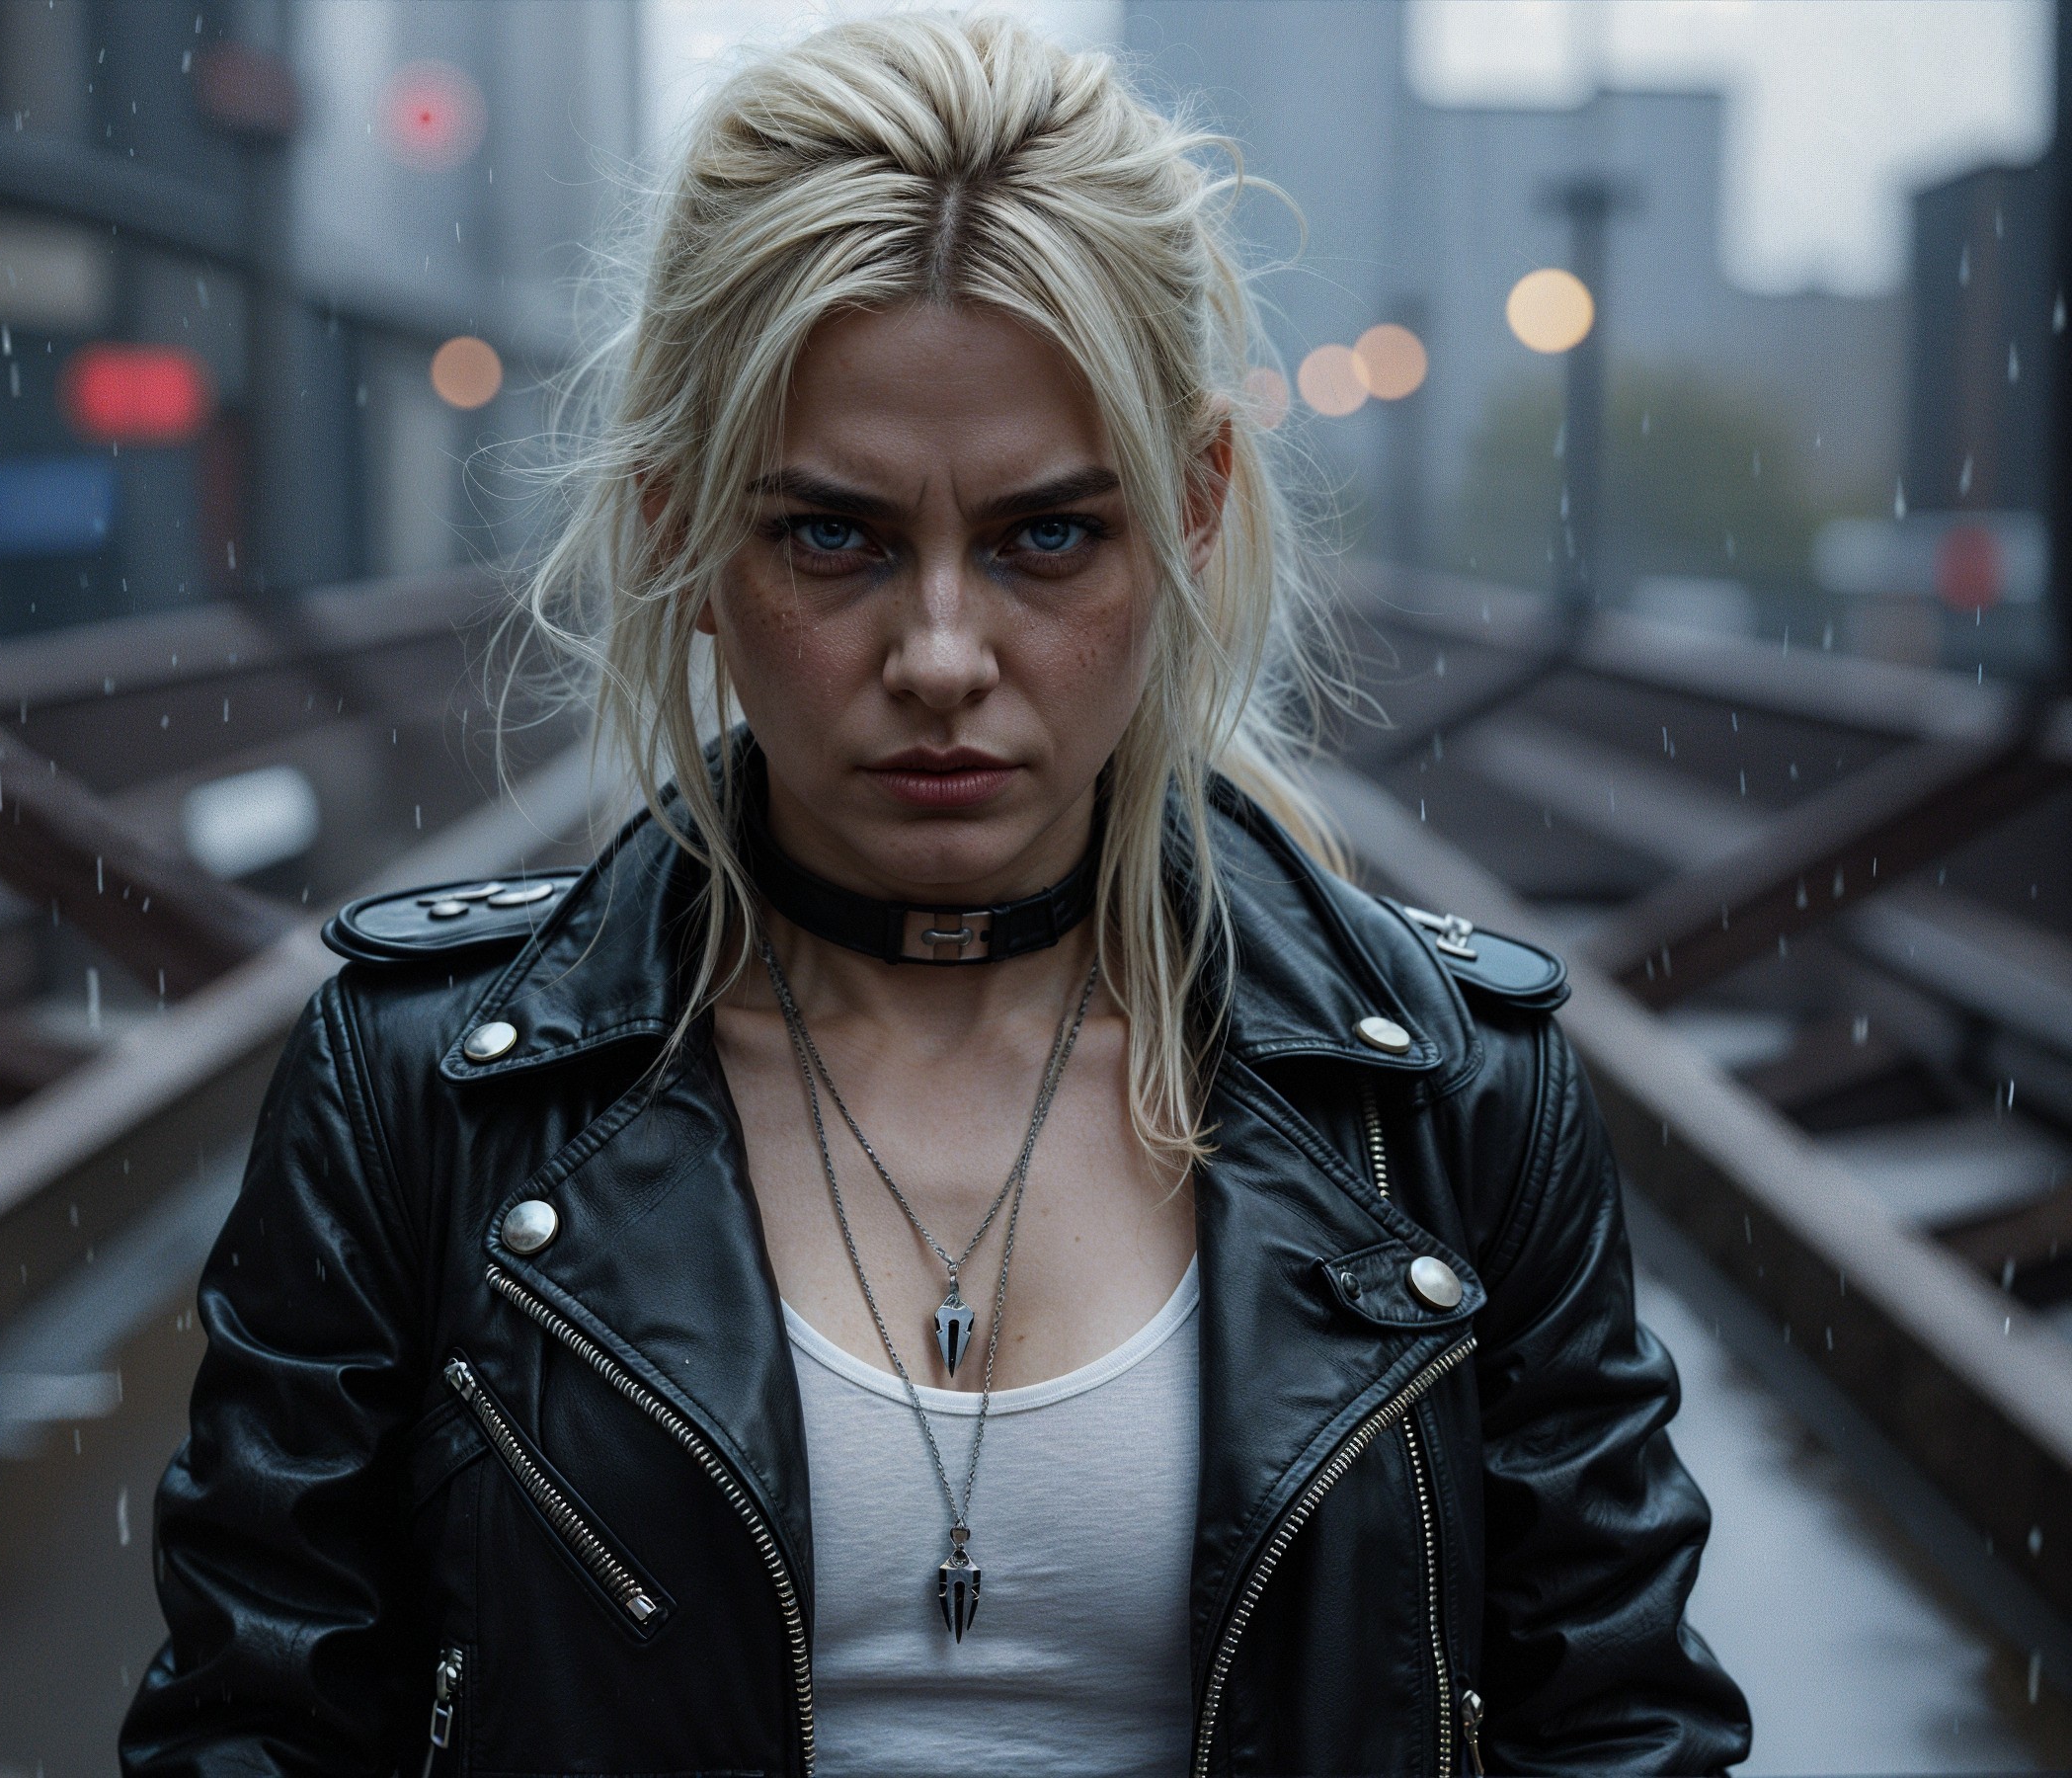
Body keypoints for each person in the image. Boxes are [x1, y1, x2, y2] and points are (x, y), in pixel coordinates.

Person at [120, 14, 1750, 1775]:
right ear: (678, 534)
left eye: (1049, 535)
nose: (944, 654)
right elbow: (251, 1737)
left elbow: (1619, 1731)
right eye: (838, 537)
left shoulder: (1453, 1099)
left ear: (1193, 510)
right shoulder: (420, 1097)